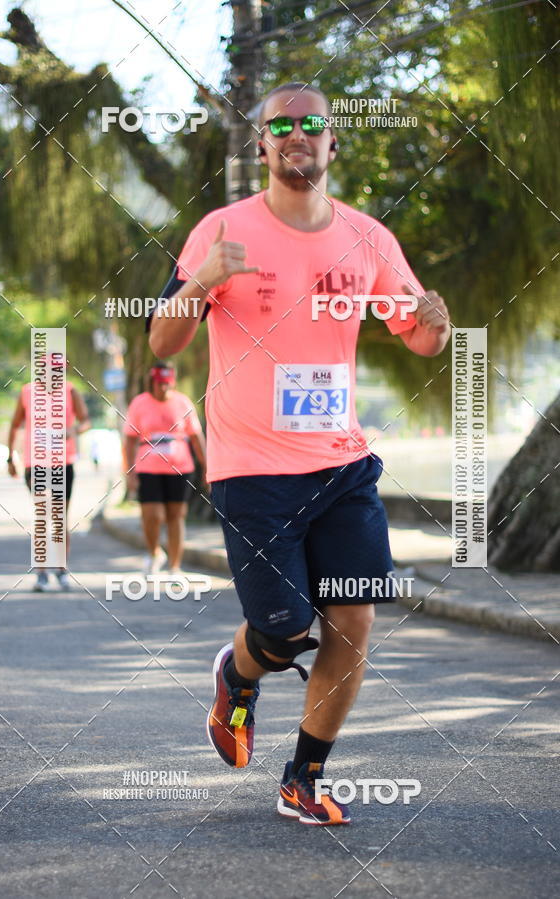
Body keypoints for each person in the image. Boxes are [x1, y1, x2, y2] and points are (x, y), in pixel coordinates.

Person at [149, 82, 451, 825]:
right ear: (262, 146)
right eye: (279, 125)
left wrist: (435, 327)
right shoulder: (221, 230)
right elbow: (161, 339)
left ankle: (303, 778)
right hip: (252, 468)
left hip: (342, 464)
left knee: (353, 620)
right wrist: (205, 280)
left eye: (311, 123)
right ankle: (238, 672)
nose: (296, 134)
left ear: (332, 142)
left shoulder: (370, 238)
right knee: (284, 630)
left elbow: (416, 331)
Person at [8, 355, 91, 591]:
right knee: (43, 512)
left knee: (59, 517)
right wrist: (10, 456)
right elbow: (15, 425)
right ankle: (42, 572)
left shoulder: (70, 390)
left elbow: (86, 421)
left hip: (63, 462)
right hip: (35, 463)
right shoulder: (27, 392)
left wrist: (72, 430)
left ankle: (62, 569)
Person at [123, 361, 206, 575]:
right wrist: (129, 471)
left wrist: (207, 467)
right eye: (159, 383)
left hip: (179, 467)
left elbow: (196, 438)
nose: (163, 388)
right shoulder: (139, 403)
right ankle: (154, 553)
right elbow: (130, 440)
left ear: (173, 382)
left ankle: (175, 566)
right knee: (153, 514)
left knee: (176, 515)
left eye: (167, 383)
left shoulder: (182, 403)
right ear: (152, 382)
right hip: (148, 467)